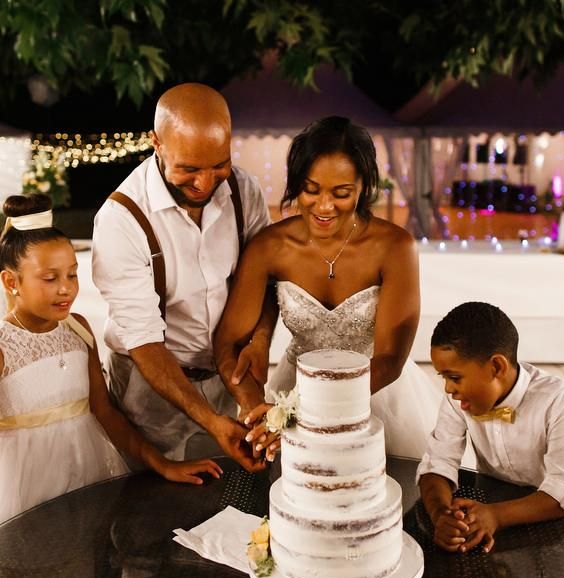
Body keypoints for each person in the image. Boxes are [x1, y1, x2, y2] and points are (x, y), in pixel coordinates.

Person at [214, 116, 441, 459]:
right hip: (293, 387)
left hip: (375, 391)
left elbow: (391, 358)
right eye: (311, 189)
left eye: (341, 193)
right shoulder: (269, 247)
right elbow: (228, 342)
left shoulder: (396, 247)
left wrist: (311, 412)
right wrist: (255, 405)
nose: (323, 206)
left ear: (364, 187)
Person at [0, 194, 224, 524]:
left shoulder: (79, 329)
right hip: (23, 488)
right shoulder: (4, 344)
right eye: (50, 278)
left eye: (72, 275)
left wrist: (163, 464)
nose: (66, 289)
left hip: (84, 475)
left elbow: (103, 411)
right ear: (11, 282)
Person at [92, 83, 274, 472]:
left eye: (219, 164)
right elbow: (144, 342)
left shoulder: (246, 192)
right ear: (155, 142)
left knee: (235, 503)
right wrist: (209, 420)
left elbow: (265, 283)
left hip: (229, 377)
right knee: (147, 505)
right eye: (188, 169)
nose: (205, 183)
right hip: (148, 387)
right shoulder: (121, 219)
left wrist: (259, 344)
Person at [417, 301, 564, 554]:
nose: (448, 388)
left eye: (455, 377)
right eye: (444, 378)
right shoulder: (458, 398)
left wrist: (496, 516)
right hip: (495, 514)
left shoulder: (556, 397)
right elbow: (437, 463)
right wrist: (443, 516)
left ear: (497, 367)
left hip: (563, 523)